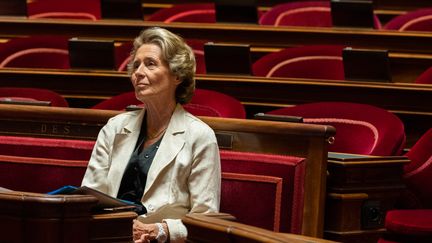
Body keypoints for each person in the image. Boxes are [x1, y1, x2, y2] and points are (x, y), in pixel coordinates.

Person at [81, 27, 221, 243]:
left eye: (150, 64)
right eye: (136, 65)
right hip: (109, 237)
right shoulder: (114, 128)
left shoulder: (200, 136)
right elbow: (90, 197)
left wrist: (160, 230)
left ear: (177, 74)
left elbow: (206, 219)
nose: (138, 72)